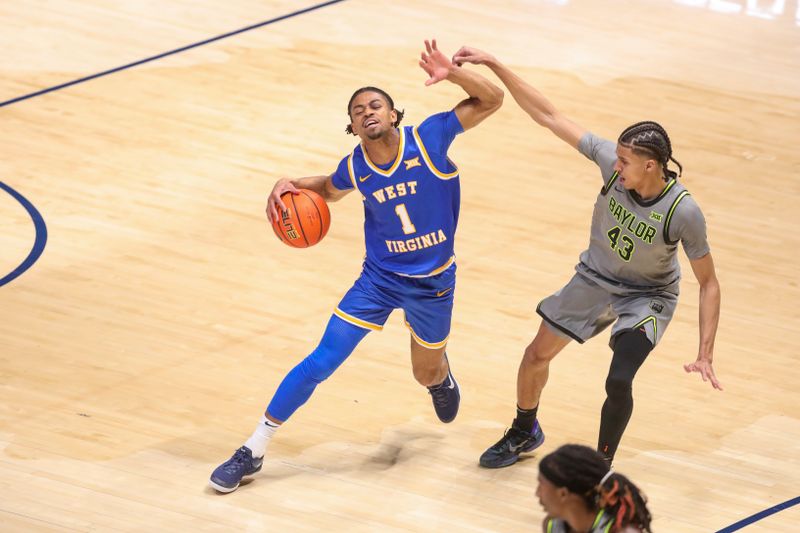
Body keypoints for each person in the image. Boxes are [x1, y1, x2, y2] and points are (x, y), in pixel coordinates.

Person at [208, 40, 504, 493]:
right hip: (378, 282)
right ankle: (253, 449)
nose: (367, 112)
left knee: (424, 372)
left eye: (376, 105)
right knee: (321, 360)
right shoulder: (357, 166)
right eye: (358, 110)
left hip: (432, 285)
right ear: (351, 126)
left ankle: (440, 375)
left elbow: (493, 99)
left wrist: (455, 75)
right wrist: (286, 183)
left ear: (393, 115)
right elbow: (327, 188)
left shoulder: (430, 138)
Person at [448, 46, 722, 469]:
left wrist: (705, 351)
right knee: (535, 355)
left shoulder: (682, 210)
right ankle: (525, 430)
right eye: (617, 155)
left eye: (626, 160)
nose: (616, 163)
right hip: (595, 278)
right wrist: (496, 65)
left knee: (618, 379)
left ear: (651, 167)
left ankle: (600, 467)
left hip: (646, 296)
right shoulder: (612, 165)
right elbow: (549, 115)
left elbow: (709, 282)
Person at [537, 444, 652, 533]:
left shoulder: (622, 531)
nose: (537, 493)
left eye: (541, 484)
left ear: (563, 493)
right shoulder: (553, 525)